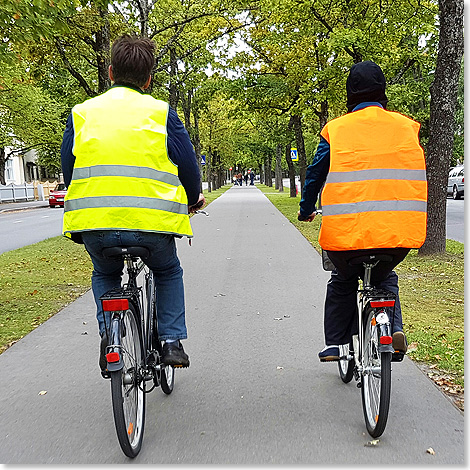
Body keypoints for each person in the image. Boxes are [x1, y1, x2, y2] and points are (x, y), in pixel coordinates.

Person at [61, 35, 205, 376]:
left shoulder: (81, 114)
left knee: (104, 273)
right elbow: (187, 164)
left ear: (110, 72)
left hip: (95, 224)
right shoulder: (161, 113)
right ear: (149, 79)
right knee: (168, 270)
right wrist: (194, 196)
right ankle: (170, 341)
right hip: (151, 225)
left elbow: (70, 170)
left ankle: (110, 337)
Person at [298, 60, 427, 362]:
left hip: (346, 240)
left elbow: (315, 174)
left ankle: (336, 344)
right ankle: (392, 329)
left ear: (350, 93)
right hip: (397, 239)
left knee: (342, 281)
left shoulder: (337, 130)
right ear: (383, 92)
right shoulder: (407, 127)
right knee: (385, 279)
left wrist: (306, 210)